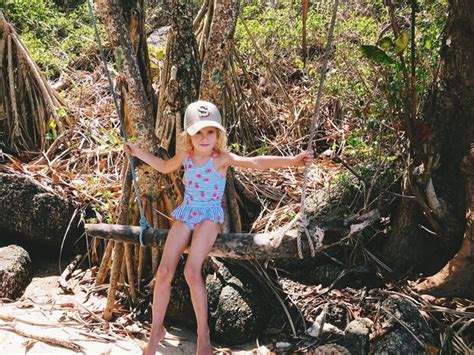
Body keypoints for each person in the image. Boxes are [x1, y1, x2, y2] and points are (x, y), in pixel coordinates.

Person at [124, 100, 313, 355]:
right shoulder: (187, 157)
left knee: (192, 271)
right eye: (199, 132)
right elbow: (164, 166)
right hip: (188, 211)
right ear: (189, 135)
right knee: (165, 270)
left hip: (209, 216)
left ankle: (204, 334)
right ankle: (156, 329)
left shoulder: (221, 159)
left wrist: (293, 161)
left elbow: (256, 162)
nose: (205, 137)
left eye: (210, 131)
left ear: (218, 134)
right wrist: (137, 152)